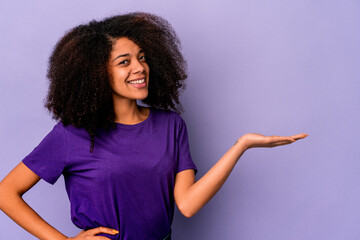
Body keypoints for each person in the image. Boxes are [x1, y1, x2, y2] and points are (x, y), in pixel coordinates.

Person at [0, 12, 308, 240]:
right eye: (124, 62)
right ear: (96, 73)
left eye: (142, 58)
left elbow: (187, 205)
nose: (139, 68)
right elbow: (6, 193)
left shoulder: (170, 125)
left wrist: (241, 145)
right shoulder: (72, 135)